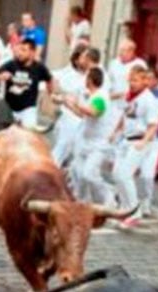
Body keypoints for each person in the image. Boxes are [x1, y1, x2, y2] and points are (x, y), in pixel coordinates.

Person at [111, 65, 158, 228]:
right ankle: (125, 208)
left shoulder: (149, 100)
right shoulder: (129, 96)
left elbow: (154, 125)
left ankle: (135, 211)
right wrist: (115, 131)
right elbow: (124, 115)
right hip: (125, 140)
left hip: (139, 141)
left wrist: (144, 141)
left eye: (135, 80)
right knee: (117, 174)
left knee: (125, 174)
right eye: (130, 79)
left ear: (144, 81)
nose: (132, 83)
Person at [64, 67, 117, 206]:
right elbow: (83, 115)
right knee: (79, 172)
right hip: (86, 140)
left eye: (86, 78)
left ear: (90, 80)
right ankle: (82, 200)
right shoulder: (93, 96)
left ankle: (107, 196)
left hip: (99, 143)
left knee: (89, 174)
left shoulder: (101, 96)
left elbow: (94, 112)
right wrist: (68, 104)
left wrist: (76, 103)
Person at [0, 37, 52, 128]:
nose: (20, 53)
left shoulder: (39, 68)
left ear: (32, 52)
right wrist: (1, 76)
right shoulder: (12, 64)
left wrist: (50, 93)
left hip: (28, 109)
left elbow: (49, 79)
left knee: (29, 132)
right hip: (10, 108)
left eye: (24, 50)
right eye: (19, 50)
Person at [106, 39, 146, 108]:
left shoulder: (140, 64)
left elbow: (143, 85)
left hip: (131, 104)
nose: (120, 53)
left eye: (123, 50)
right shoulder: (114, 63)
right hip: (114, 103)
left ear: (131, 51)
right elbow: (108, 81)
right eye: (120, 50)